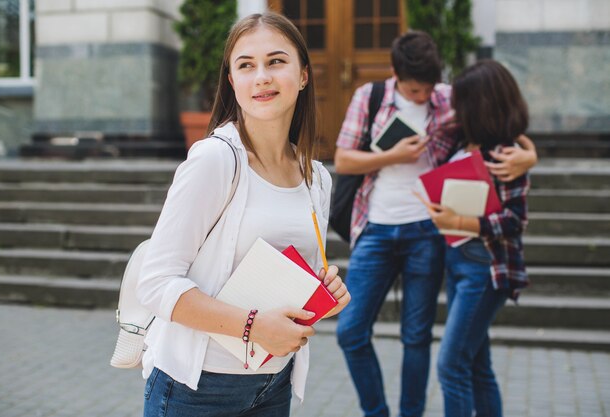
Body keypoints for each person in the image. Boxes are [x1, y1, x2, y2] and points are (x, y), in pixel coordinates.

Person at [136, 12, 350, 417]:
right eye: (246, 66)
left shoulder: (317, 177)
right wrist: (253, 326)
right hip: (197, 389)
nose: (262, 77)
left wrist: (325, 294)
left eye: (276, 61)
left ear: (303, 75)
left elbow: (288, 274)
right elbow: (156, 283)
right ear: (233, 82)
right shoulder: (215, 160)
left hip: (274, 382)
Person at [334, 31, 536, 417]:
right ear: (395, 74)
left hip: (429, 233)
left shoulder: (449, 98)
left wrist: (530, 156)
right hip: (375, 227)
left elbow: (501, 121)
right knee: (349, 331)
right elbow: (343, 161)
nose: (423, 97)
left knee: (418, 338)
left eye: (429, 88)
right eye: (414, 90)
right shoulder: (370, 97)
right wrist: (391, 156)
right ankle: (376, 412)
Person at [426, 59, 531, 417]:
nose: (454, 108)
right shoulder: (461, 139)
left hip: (486, 267)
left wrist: (461, 221)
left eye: (462, 101)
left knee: (451, 365)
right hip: (459, 262)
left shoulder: (507, 155)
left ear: (479, 104)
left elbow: (515, 220)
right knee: (475, 365)